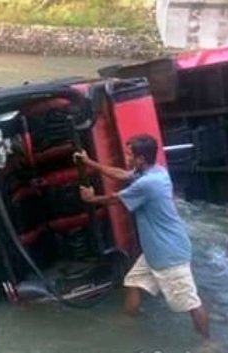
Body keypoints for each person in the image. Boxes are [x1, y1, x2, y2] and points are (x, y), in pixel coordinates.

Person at [74, 134, 210, 339]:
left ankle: (208, 344)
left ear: (141, 159)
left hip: (168, 254)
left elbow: (115, 200)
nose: (126, 158)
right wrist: (89, 162)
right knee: (132, 282)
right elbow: (121, 174)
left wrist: (92, 198)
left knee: (191, 303)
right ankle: (131, 324)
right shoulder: (156, 171)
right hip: (155, 252)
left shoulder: (147, 184)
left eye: (130, 155)